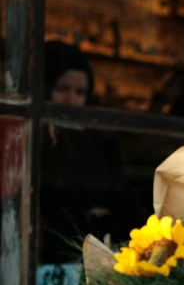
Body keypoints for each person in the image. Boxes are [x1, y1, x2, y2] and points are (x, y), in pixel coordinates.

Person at [40, 41, 140, 267]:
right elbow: (50, 206)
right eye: (62, 89)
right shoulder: (35, 139)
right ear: (45, 88)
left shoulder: (100, 142)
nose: (71, 100)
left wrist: (98, 218)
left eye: (80, 92)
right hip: (52, 262)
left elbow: (127, 207)